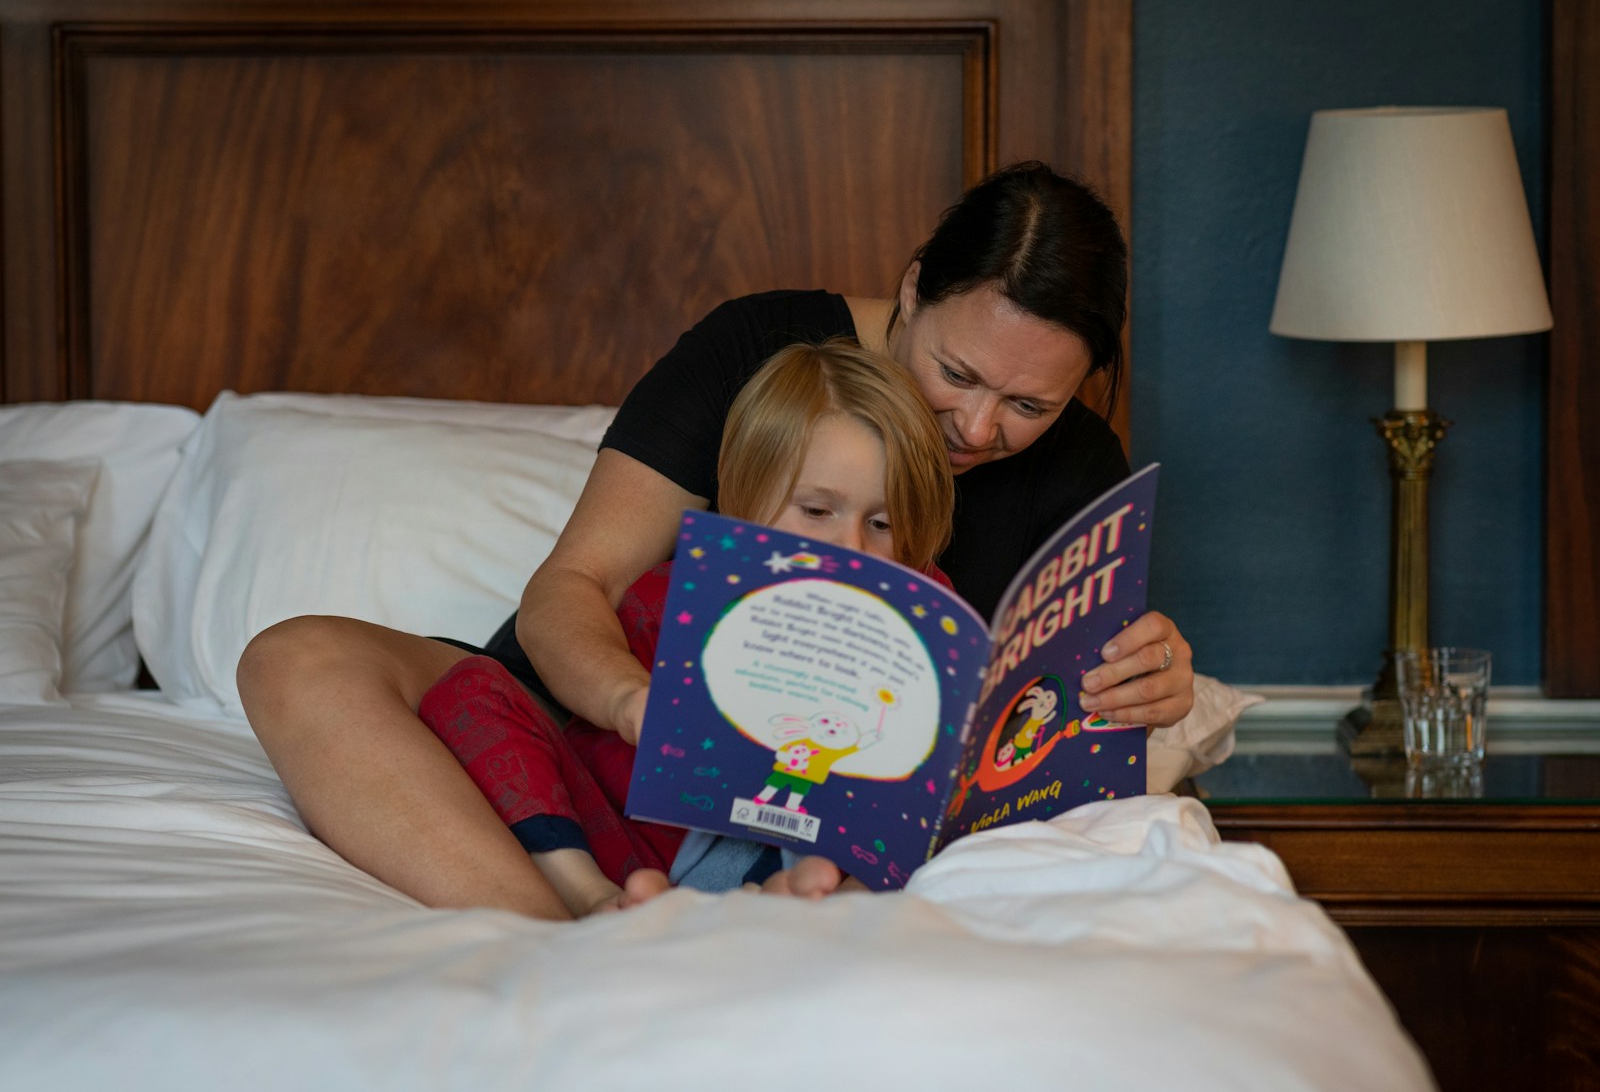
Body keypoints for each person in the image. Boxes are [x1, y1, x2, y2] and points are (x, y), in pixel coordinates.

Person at [238, 160, 1195, 922]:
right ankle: (564, 938)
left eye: (1030, 404)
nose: (978, 430)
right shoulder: (757, 350)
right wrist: (630, 702)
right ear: (912, 290)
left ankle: (685, 925)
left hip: (836, 788)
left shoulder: (1076, 467)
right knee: (296, 658)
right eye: (957, 373)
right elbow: (572, 584)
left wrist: (1148, 679)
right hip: (612, 725)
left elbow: (1048, 709)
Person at [414, 338, 956, 916]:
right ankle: (590, 895)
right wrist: (637, 705)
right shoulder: (673, 594)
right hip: (641, 847)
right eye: (817, 511)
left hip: (810, 842)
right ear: (745, 495)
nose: (849, 547)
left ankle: (784, 900)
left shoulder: (924, 605)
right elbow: (599, 743)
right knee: (469, 689)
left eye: (881, 522)